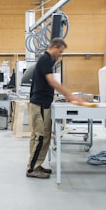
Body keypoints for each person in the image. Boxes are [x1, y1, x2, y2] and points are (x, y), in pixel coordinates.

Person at [26, 38, 83, 178]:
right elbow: (52, 81)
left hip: (42, 104)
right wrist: (69, 95)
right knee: (40, 137)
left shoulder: (48, 60)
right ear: (55, 47)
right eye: (61, 51)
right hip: (40, 104)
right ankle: (32, 169)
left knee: (39, 137)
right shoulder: (45, 59)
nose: (61, 54)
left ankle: (36, 165)